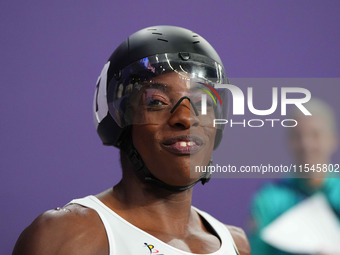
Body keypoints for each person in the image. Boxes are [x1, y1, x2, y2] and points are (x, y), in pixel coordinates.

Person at [13, 25, 250, 255]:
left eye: (202, 103)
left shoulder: (236, 244)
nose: (185, 118)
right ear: (119, 119)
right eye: (157, 101)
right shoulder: (67, 237)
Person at [248, 98, 340, 255]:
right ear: (289, 141)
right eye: (298, 136)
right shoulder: (269, 200)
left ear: (333, 140)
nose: (306, 144)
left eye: (315, 135)